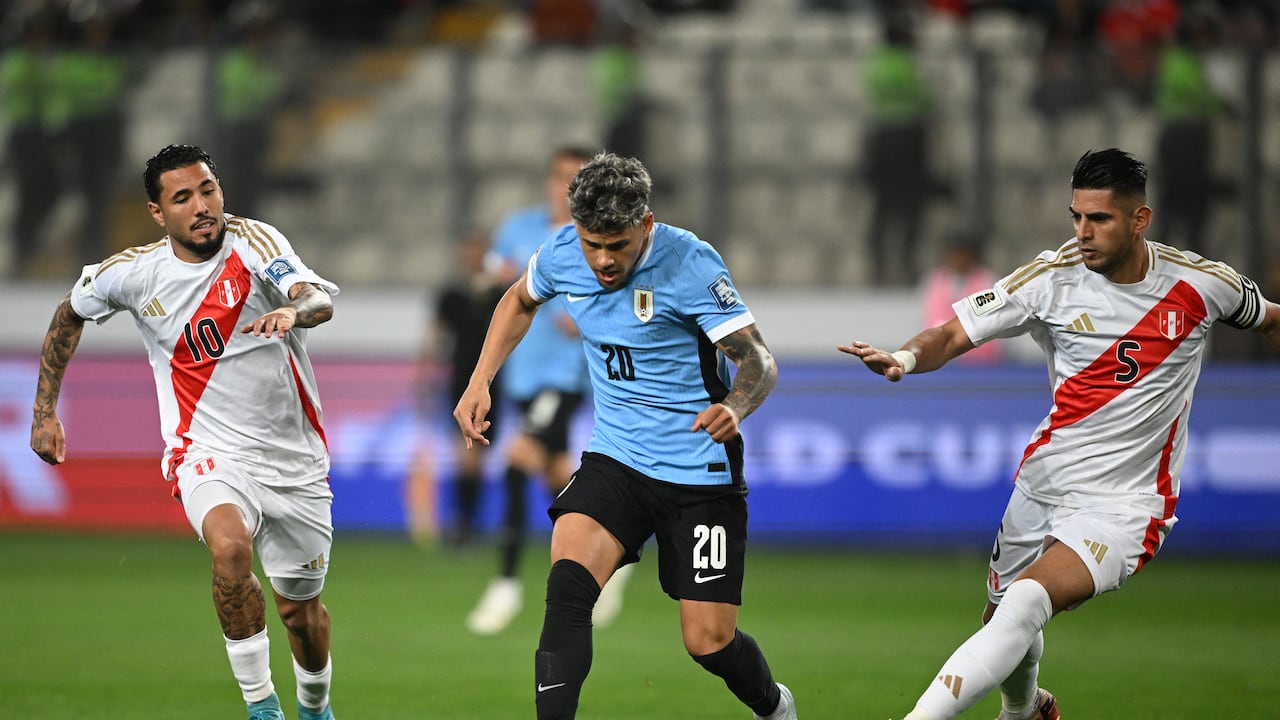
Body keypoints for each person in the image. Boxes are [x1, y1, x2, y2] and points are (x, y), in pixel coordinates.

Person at [839, 148, 1280, 720]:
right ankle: (1026, 710)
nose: (1083, 233)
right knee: (1001, 612)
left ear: (1139, 220)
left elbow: (1272, 320)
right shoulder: (1051, 279)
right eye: (1076, 217)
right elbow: (951, 334)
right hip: (1043, 483)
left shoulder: (1201, 285)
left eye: (1099, 219)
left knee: (1024, 601)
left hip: (1126, 505)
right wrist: (902, 356)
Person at [454, 152, 797, 720]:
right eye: (593, 244)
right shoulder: (562, 252)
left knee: (707, 642)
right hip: (616, 458)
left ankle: (775, 707)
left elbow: (757, 359)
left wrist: (735, 405)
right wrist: (480, 379)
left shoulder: (690, 263)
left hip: (698, 471)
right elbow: (518, 298)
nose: (604, 260)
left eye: (618, 245)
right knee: (567, 588)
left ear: (646, 224)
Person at [29, 144, 340, 720]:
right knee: (230, 549)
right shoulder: (132, 274)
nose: (202, 207)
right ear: (156, 211)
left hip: (295, 462)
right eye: (183, 198)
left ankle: (315, 707)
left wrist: (294, 312)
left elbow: (315, 297)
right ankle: (262, 707)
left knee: (301, 615)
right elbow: (69, 313)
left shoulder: (256, 244)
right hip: (206, 451)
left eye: (208, 190)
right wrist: (43, 411)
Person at [465, 145, 628, 636]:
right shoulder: (520, 227)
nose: (564, 186)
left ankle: (507, 583)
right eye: (559, 176)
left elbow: (626, 300)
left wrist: (592, 320)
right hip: (521, 374)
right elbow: (492, 283)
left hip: (566, 376)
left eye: (575, 177)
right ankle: (617, 551)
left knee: (517, 462)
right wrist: (491, 280)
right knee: (557, 474)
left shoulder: (597, 239)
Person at [427, 229, 507, 548]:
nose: (471, 256)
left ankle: (467, 524)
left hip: (492, 382)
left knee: (478, 455)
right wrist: (427, 376)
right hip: (461, 382)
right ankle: (464, 525)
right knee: (466, 454)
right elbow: (436, 335)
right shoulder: (453, 295)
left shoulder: (500, 292)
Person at [919, 233, 1004, 364]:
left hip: (982, 361)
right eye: (955, 254)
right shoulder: (935, 281)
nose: (959, 259)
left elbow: (991, 324)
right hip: (942, 360)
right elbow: (932, 321)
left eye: (964, 254)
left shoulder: (987, 281)